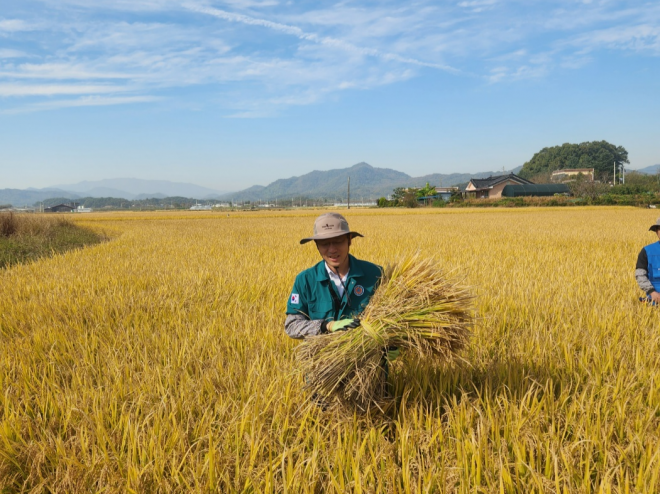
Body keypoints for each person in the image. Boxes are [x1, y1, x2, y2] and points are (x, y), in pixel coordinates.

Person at [285, 212, 383, 338]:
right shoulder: (305, 280)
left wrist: (390, 346)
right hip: (321, 357)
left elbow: (393, 316)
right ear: (317, 245)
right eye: (325, 244)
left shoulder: (375, 274)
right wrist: (326, 326)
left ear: (349, 241)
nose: (332, 250)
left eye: (338, 241)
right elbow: (292, 325)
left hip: (367, 356)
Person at [635, 218, 660, 305]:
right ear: (656, 231)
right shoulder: (646, 251)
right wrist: (652, 292)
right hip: (653, 301)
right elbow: (640, 275)